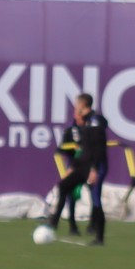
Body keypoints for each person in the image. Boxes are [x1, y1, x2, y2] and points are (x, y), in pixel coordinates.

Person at [52, 95, 109, 245]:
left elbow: (98, 149)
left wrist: (95, 169)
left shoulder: (95, 121)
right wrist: (73, 167)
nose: (75, 109)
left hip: (96, 166)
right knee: (64, 185)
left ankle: (99, 237)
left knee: (95, 197)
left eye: (77, 105)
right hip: (83, 165)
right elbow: (85, 150)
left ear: (83, 105)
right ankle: (54, 222)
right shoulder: (83, 123)